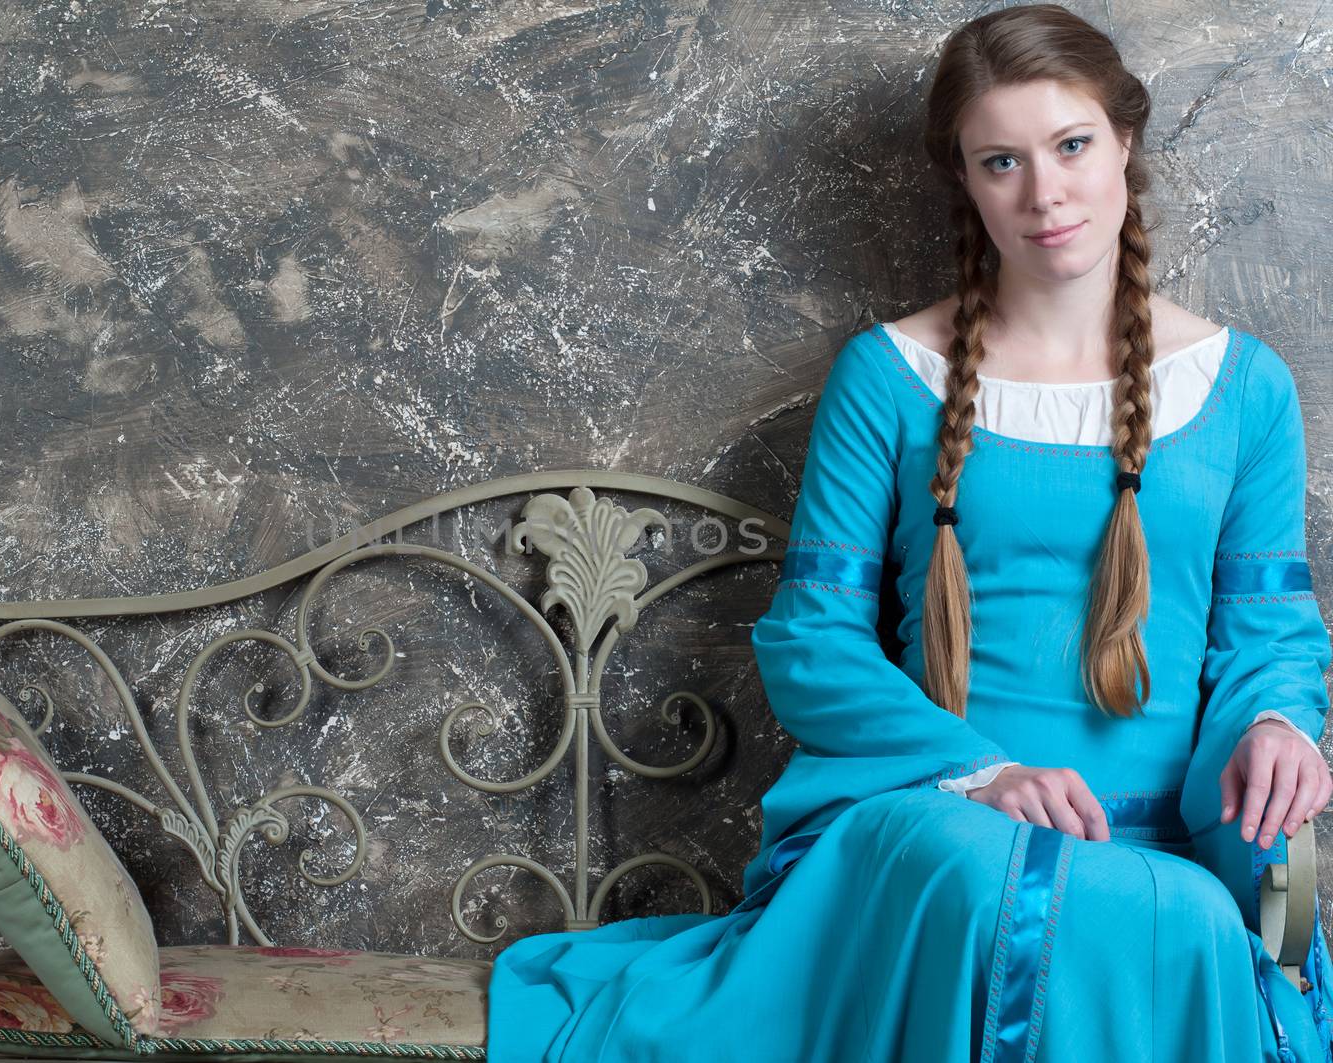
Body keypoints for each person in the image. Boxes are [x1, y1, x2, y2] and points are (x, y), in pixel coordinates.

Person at [484, 5, 1333, 1061]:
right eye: (999, 162)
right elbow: (812, 640)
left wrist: (1276, 727)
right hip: (938, 824)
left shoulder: (1247, 388)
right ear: (966, 183)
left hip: (1158, 840)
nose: (1044, 191)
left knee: (1172, 912)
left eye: (1069, 145)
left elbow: (1268, 638)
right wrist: (980, 773)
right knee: (1015, 886)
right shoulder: (887, 376)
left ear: (1123, 140)